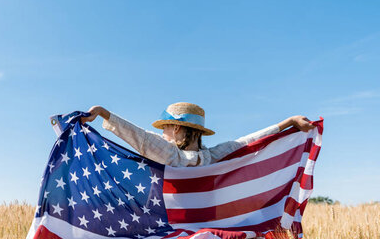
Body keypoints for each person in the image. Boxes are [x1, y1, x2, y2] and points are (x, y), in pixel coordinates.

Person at [80, 102, 315, 167]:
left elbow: (138, 136)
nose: (161, 133)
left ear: (177, 128)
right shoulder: (212, 157)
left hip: (172, 232)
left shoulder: (167, 153)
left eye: (165, 127)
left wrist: (103, 113)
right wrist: (287, 123)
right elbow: (247, 143)